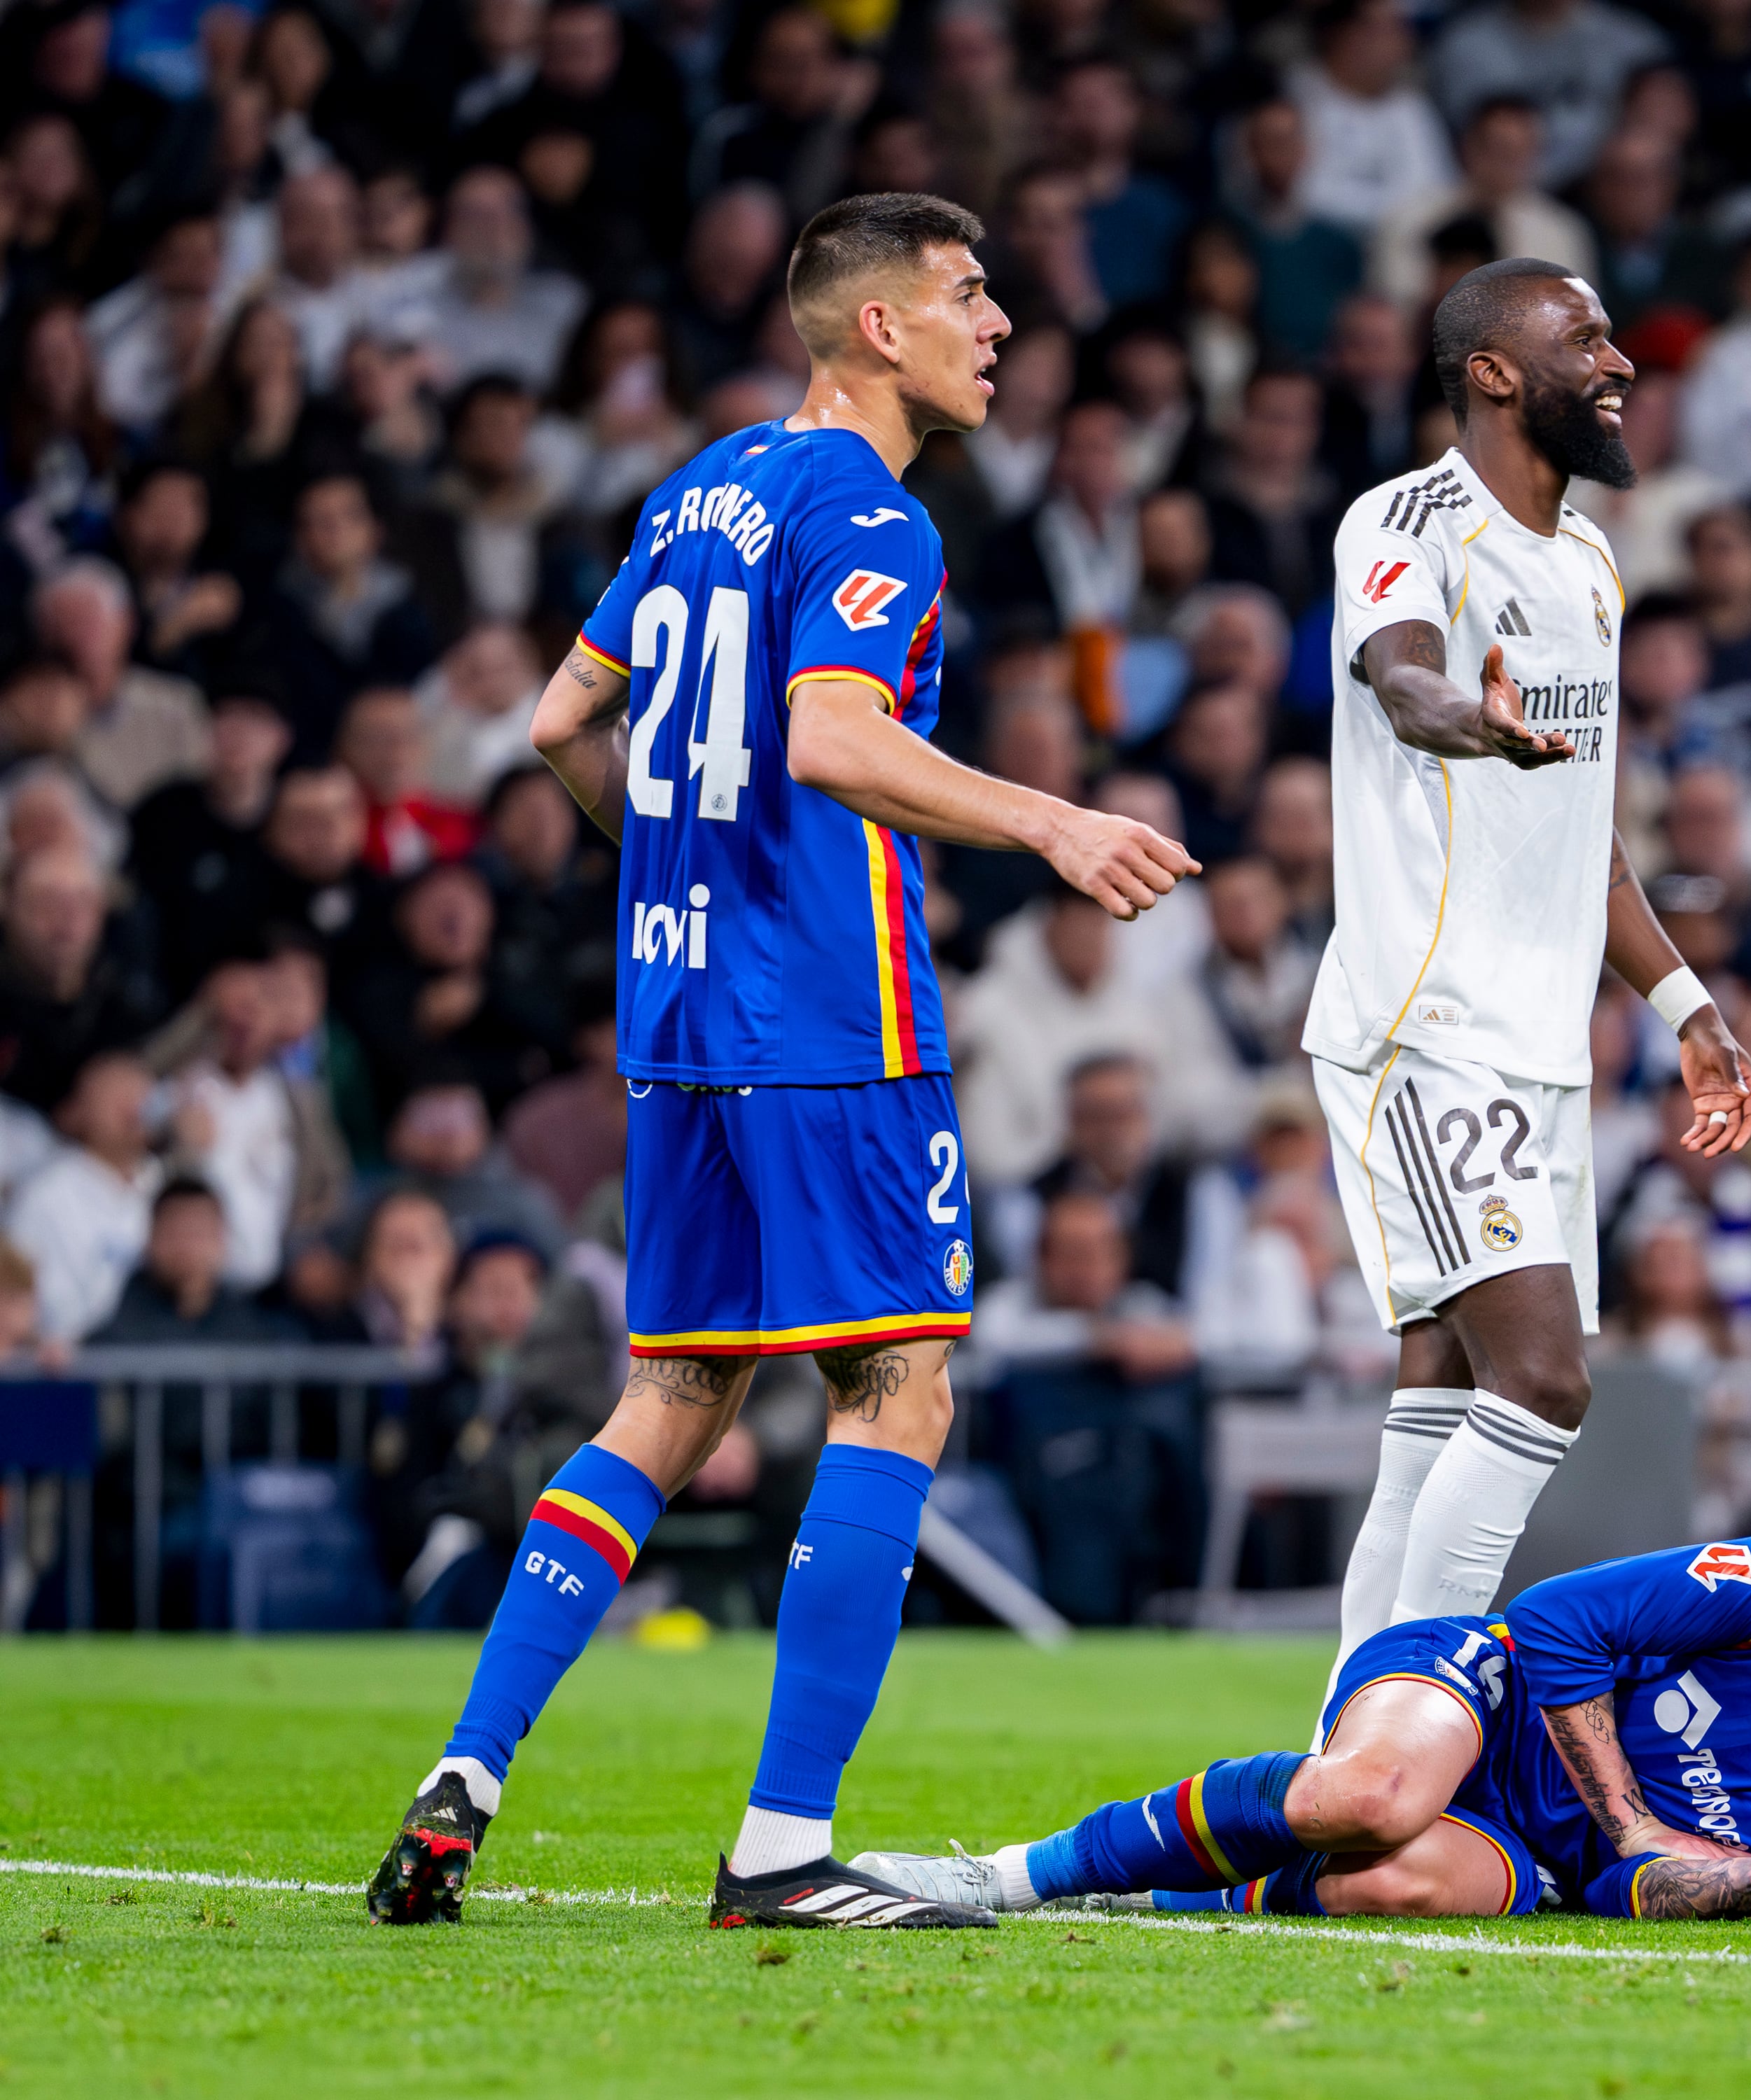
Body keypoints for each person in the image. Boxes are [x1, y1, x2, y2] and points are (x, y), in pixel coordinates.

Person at [366, 192, 1198, 1935]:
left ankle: (470, 1771)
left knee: (667, 1399)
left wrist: (688, 883)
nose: (1002, 328)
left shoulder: (699, 489)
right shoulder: (874, 512)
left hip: (675, 1020)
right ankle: (780, 1849)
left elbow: (556, 728)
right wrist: (1051, 821)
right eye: (970, 297)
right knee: (899, 1386)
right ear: (877, 327)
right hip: (833, 1021)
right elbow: (830, 736)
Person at [1306, 258, 1751, 1735]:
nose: (1619, 360)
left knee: (1440, 1395)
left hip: (1543, 1044)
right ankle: (1412, 1736)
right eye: (1585, 338)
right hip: (1429, 1024)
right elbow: (1405, 683)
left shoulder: (1589, 566)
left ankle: (1336, 1754)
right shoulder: (1406, 520)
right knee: (1547, 1380)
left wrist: (1686, 1004)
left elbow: (1590, 835)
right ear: (1493, 372)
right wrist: (1475, 727)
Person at [852, 1545, 1751, 1922]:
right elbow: (1558, 1619)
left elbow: (1630, 1892)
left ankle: (1152, 1898)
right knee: (1382, 1799)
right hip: (1494, 1686)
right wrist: (1633, 1814)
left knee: (1406, 1879)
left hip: (1543, 1851)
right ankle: (1007, 1875)